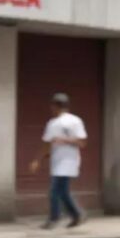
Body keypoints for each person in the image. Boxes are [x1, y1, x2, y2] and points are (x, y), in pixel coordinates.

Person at [29, 93, 88, 229]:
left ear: (56, 106)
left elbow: (82, 142)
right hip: (57, 162)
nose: (51, 108)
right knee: (63, 192)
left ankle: (54, 218)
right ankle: (77, 215)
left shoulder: (74, 121)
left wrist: (64, 140)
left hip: (69, 161)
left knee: (55, 191)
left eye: (52, 106)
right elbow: (47, 143)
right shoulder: (52, 123)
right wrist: (38, 160)